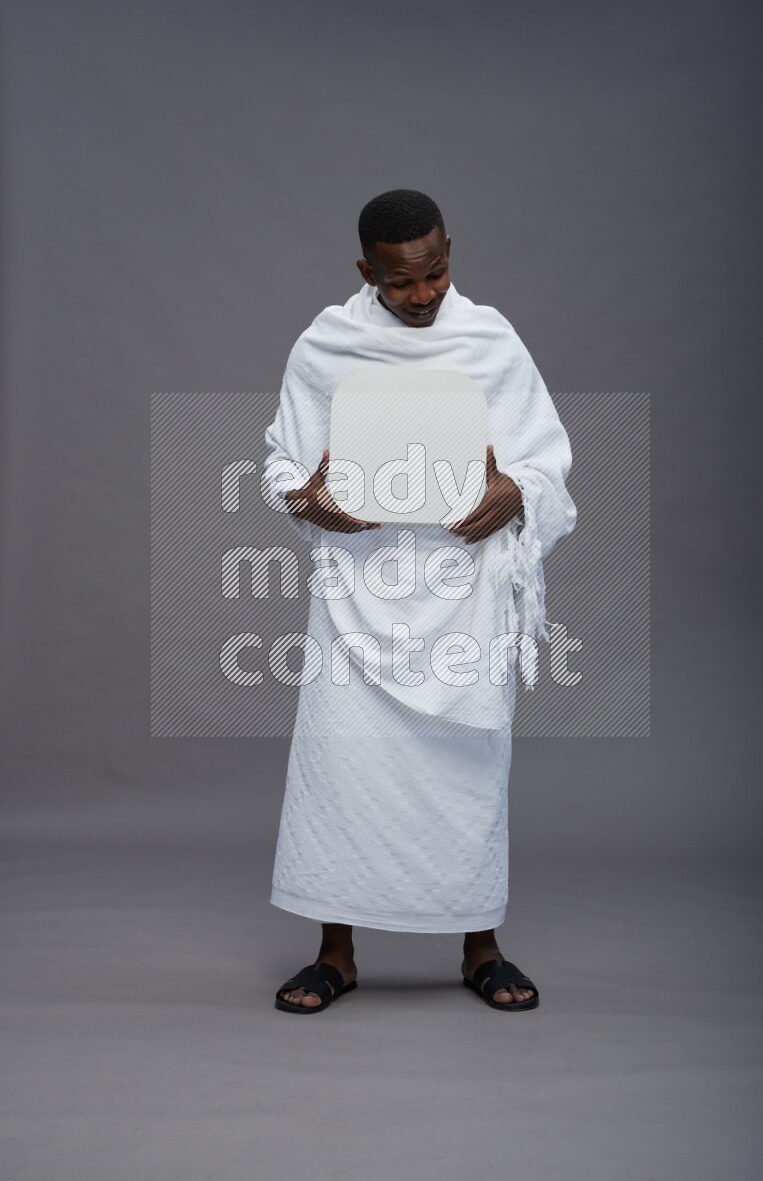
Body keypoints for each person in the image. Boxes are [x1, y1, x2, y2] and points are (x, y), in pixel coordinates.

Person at [263, 189, 577, 1013]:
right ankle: (335, 953)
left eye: (435, 273)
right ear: (367, 271)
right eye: (401, 283)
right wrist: (310, 502)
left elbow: (546, 459)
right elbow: (282, 467)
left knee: (467, 769)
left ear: (448, 253)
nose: (423, 294)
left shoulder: (489, 338)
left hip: (462, 598)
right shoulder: (325, 345)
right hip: (357, 598)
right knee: (343, 768)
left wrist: (518, 493)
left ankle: (481, 947)